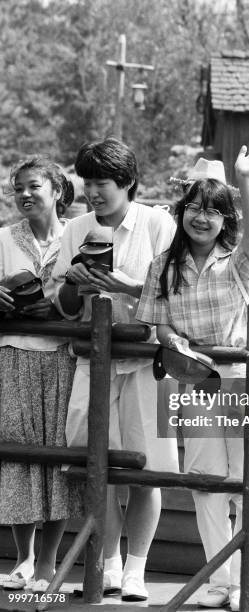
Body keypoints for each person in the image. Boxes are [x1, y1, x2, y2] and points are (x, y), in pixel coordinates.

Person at [137, 142, 249, 611]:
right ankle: (221, 583)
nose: (201, 218)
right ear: (182, 212)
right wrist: (170, 338)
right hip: (195, 384)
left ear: (224, 220)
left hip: (245, 381)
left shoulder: (238, 259)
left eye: (212, 211)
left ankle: (248, 586)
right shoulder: (162, 266)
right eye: (194, 208)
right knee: (204, 482)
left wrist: (245, 181)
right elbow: (158, 321)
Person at [52, 137, 179, 602]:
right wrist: (74, 284)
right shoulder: (76, 228)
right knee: (93, 464)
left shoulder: (159, 224)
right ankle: (108, 563)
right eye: (87, 183)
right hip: (91, 357)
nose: (92, 192)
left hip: (146, 362)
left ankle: (137, 571)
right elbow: (63, 306)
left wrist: (127, 285)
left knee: (148, 467)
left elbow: (176, 295)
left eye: (101, 182)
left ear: (126, 182)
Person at [0, 156, 78, 592]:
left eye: (33, 186)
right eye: (18, 188)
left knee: (60, 456)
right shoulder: (2, 239)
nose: (25, 195)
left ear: (56, 190)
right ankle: (23, 558)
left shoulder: (78, 236)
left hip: (66, 356)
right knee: (19, 456)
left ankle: (48, 562)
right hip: (13, 356)